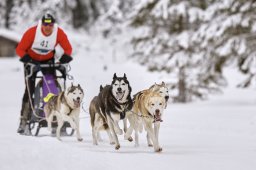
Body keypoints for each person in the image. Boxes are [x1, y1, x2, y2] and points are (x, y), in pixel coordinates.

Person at [16, 13, 73, 134]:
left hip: (48, 60)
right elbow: (20, 49)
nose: (48, 27)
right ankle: (24, 121)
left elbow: (68, 49)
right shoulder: (32, 32)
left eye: (50, 25)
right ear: (41, 24)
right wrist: (29, 61)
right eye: (45, 25)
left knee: (52, 87)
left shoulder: (58, 33)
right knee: (29, 90)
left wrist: (62, 61)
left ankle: (56, 119)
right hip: (31, 61)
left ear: (53, 25)